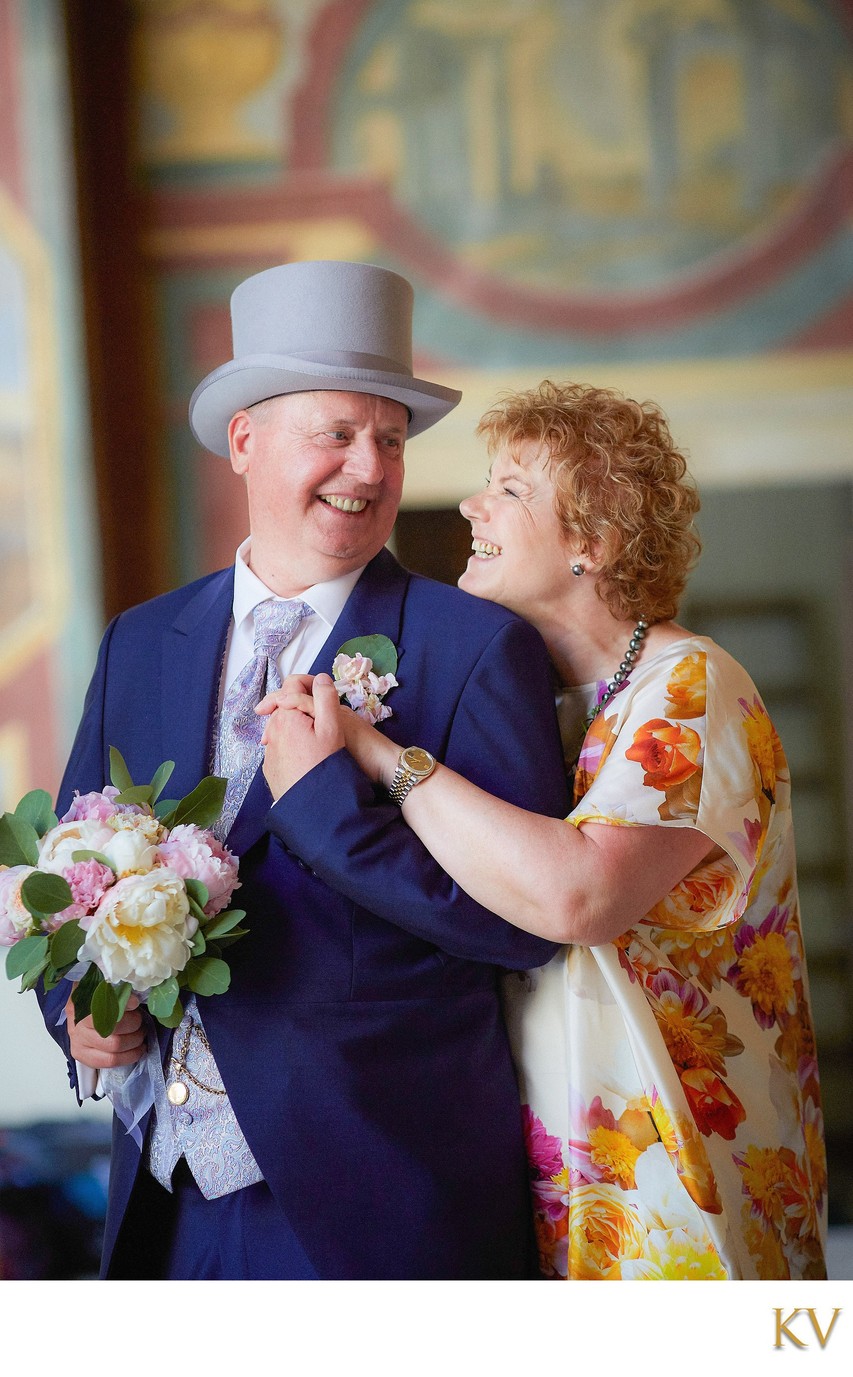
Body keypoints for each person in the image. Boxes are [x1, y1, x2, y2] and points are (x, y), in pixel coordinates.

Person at [38, 262, 571, 1280]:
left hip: (383, 1201)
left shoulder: (472, 649)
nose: (368, 468)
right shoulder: (142, 641)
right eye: (337, 432)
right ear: (245, 439)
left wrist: (333, 809)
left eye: (390, 438)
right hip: (165, 1207)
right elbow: (72, 878)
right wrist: (78, 1012)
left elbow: (521, 926)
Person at [267, 379, 829, 1281]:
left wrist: (379, 759)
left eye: (511, 490)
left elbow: (579, 895)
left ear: (592, 545)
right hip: (542, 1173)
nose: (468, 504)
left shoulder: (691, 687)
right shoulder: (540, 701)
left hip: (674, 1181)